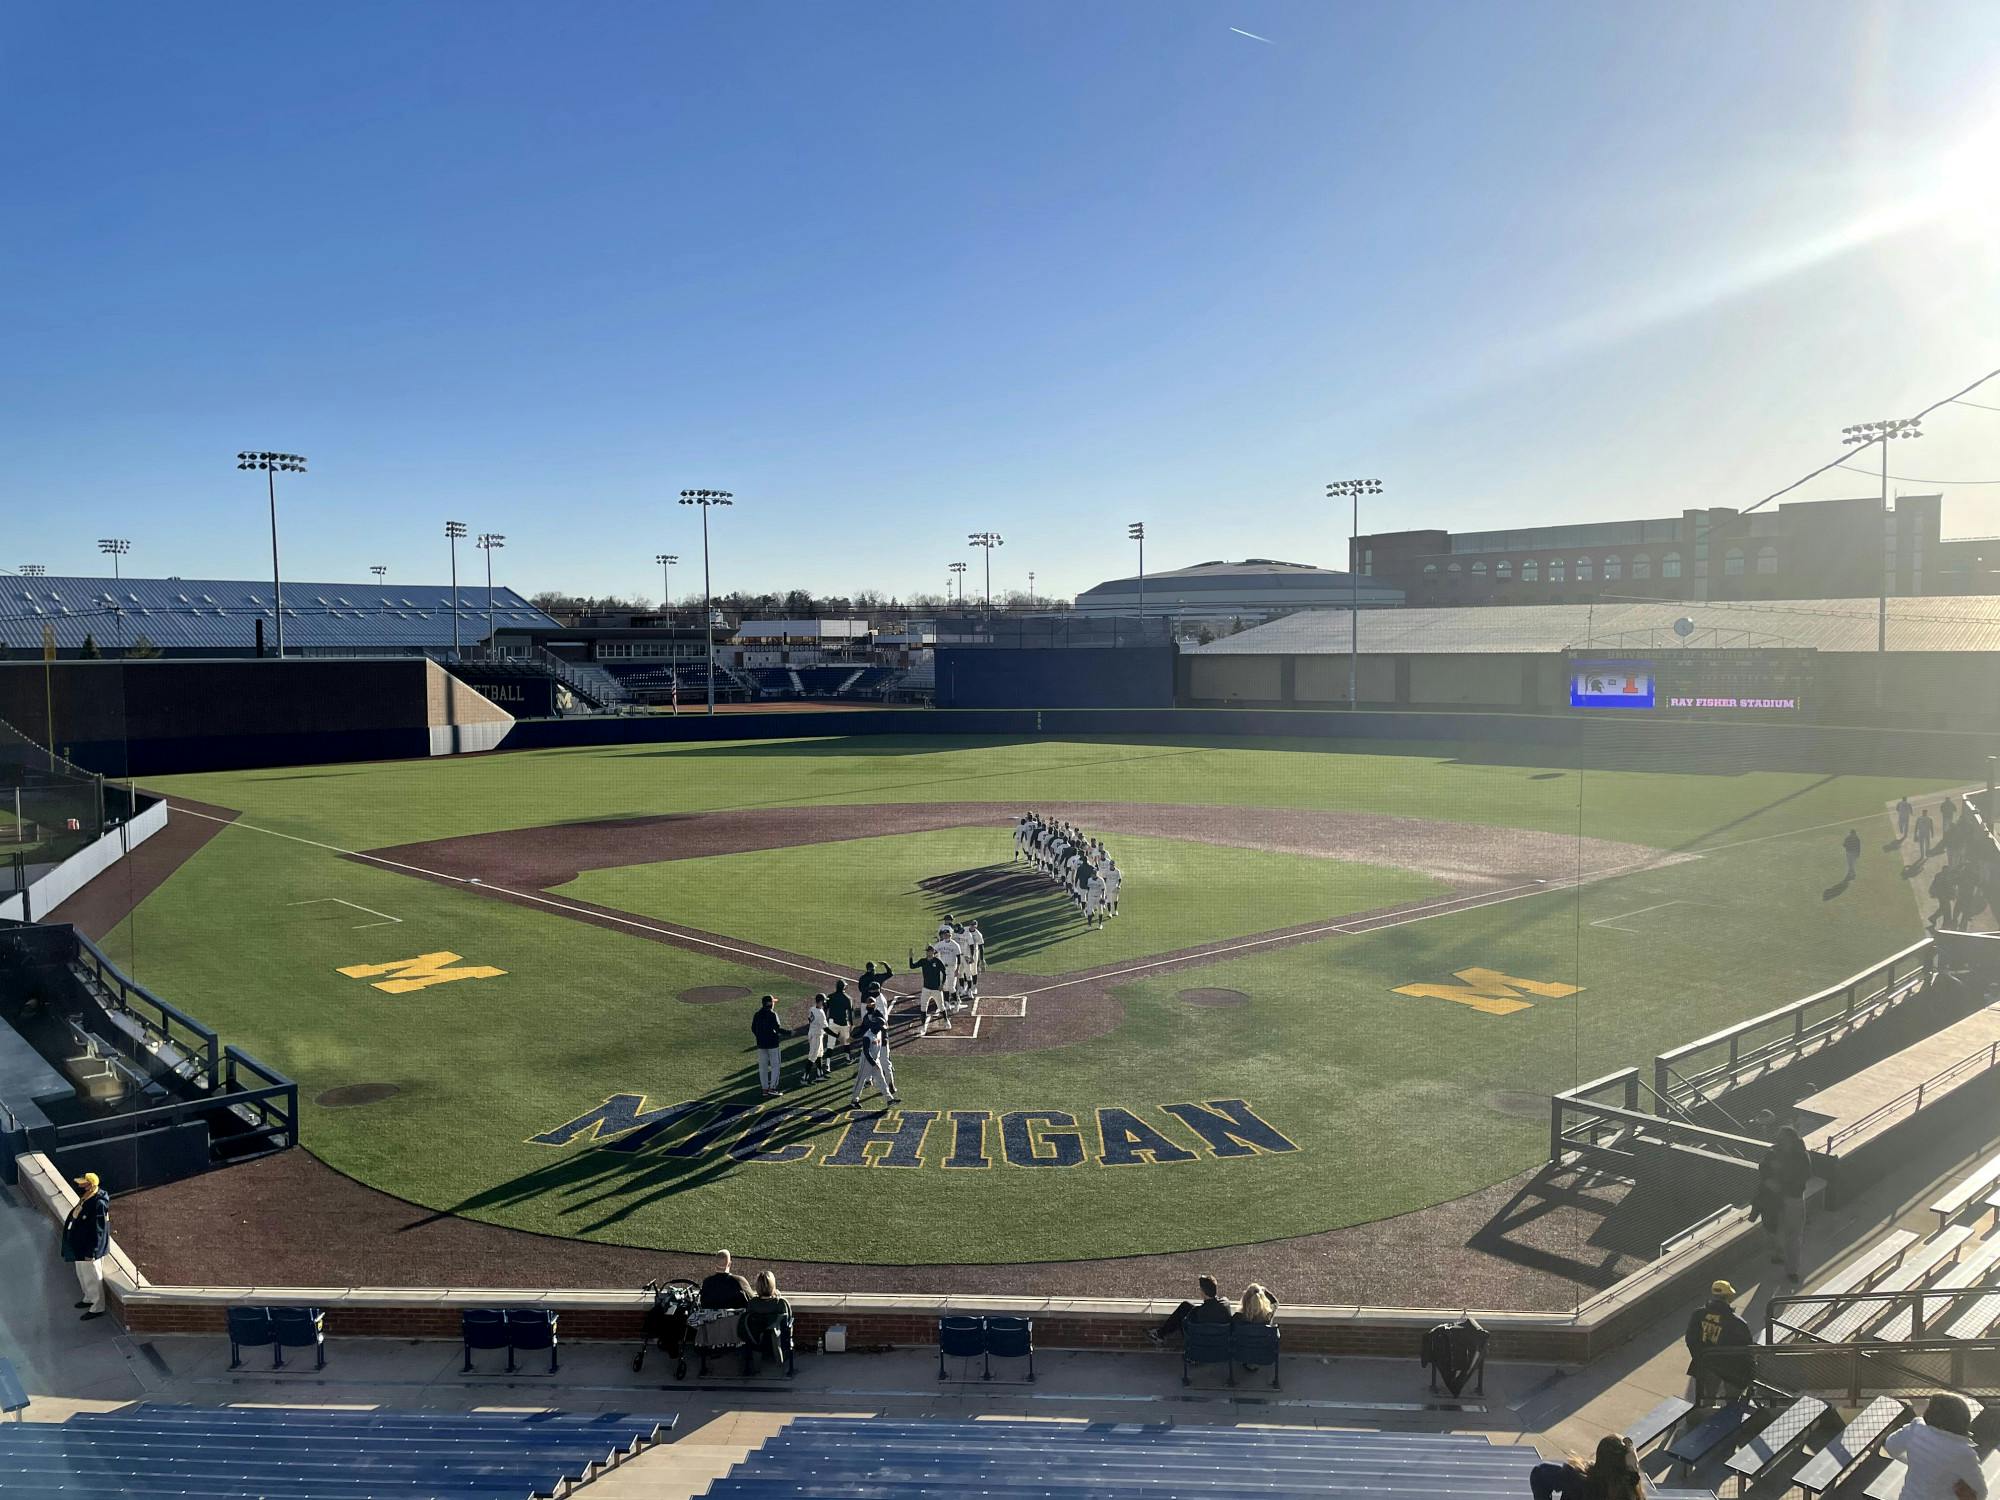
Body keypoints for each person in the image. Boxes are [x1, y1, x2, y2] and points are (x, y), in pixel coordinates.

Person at [1883, 1393, 1988, 1500]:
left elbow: (1891, 1446)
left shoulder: (1917, 1428)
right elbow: (1980, 1492)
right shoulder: (1964, 1452)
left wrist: (1917, 1460)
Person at [1684, 1280, 1754, 1405]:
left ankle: (1704, 1418)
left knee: (1706, 1399)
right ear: (1729, 1297)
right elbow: (1746, 1349)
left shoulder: (1698, 1314)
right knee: (1732, 1401)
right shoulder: (1737, 1323)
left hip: (1706, 1363)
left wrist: (1699, 1357)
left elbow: (1691, 1339)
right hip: (1731, 1368)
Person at [1761, 1124, 1812, 1283]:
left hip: (1792, 1198)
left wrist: (1779, 1183)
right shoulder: (1774, 1152)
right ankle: (1779, 1254)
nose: (1780, 1141)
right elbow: (1763, 1167)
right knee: (1777, 1229)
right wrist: (1769, 1180)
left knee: (1794, 1234)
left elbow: (1802, 1177)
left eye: (1783, 1139)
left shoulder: (1800, 1156)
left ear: (1790, 1140)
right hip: (1777, 1199)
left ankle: (1792, 1269)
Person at [1528, 1435, 1647, 1500]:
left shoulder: (1630, 1483)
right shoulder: (1579, 1480)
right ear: (1616, 1469)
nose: (1636, 1468)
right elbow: (1540, 1473)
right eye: (1631, 1466)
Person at [62, 1171, 112, 1320]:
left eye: (83, 1183)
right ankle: (89, 1297)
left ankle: (97, 1306)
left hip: (89, 1248)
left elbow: (99, 1230)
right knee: (82, 1273)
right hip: (80, 1245)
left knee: (93, 1276)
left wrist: (93, 1251)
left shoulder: (98, 1203)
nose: (80, 1185)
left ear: (90, 1186)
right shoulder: (86, 1197)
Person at [1147, 1274, 1232, 1344]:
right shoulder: (1225, 1303)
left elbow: (1187, 1324)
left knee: (1183, 1312)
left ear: (1202, 1292)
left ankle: (1160, 1334)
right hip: (1221, 1344)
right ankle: (1160, 1333)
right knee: (1186, 1306)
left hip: (1200, 1344)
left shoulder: (1198, 1312)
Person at [742, 1270, 794, 1375]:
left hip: (757, 1342)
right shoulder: (781, 1303)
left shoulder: (753, 1304)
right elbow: (789, 1321)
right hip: (779, 1342)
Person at [850, 1009, 898, 1109]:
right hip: (867, 1062)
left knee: (881, 1080)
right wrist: (873, 1063)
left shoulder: (879, 1033)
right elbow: (866, 1053)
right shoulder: (867, 1037)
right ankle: (854, 1100)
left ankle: (889, 1099)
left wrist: (877, 1062)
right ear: (876, 1026)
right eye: (881, 1027)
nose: (883, 1029)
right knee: (861, 1080)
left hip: (875, 1061)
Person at [750, 995, 789, 1097]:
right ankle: (773, 1088)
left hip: (761, 1044)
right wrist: (789, 1033)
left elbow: (753, 1028)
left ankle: (765, 1089)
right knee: (775, 1066)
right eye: (773, 1002)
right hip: (772, 1044)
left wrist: (759, 1036)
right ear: (770, 1003)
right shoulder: (773, 1014)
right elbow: (777, 1028)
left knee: (763, 1068)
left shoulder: (757, 1014)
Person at [909, 944, 950, 1035]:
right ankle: (923, 1026)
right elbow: (912, 966)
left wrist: (942, 985)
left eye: (930, 951)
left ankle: (946, 1021)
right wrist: (911, 957)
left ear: (933, 952)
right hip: (926, 988)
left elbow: (944, 972)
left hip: (936, 989)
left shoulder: (937, 961)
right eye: (927, 951)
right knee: (923, 1008)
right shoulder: (923, 961)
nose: (928, 953)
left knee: (941, 1006)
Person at [824, 982, 856, 1066]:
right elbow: (850, 1013)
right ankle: (848, 1058)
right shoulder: (848, 998)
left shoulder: (830, 996)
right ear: (844, 987)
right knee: (846, 1042)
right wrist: (852, 1024)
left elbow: (825, 1008)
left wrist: (825, 1021)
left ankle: (827, 1065)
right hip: (843, 1023)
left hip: (832, 1022)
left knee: (830, 1045)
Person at [804, 995, 830, 1082]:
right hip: (816, 1036)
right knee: (812, 1057)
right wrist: (836, 1035)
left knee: (819, 1055)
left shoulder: (812, 1009)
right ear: (820, 1001)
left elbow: (809, 1019)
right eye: (824, 1001)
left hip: (815, 1034)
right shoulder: (821, 1013)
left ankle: (820, 1074)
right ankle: (804, 1078)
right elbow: (825, 1028)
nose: (825, 1002)